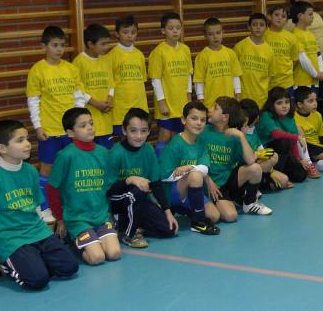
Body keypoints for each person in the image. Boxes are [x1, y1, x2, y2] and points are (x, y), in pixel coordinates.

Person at [0, 120, 78, 289]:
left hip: (36, 232)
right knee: (37, 280)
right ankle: (7, 262)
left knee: (69, 267)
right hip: (11, 239)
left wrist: (46, 233)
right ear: (2, 148)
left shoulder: (30, 171)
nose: (28, 144)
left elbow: (36, 207)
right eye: (20, 140)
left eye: (27, 138)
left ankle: (32, 260)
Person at [46, 108, 121, 265]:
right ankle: (72, 241)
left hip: (101, 217)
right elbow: (52, 189)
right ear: (70, 133)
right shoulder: (65, 156)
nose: (90, 128)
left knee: (114, 253)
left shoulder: (103, 152)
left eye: (91, 123)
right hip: (77, 219)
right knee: (97, 257)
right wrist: (60, 219)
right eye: (83, 125)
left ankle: (92, 239)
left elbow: (110, 185)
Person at [26, 25, 85, 217]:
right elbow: (33, 101)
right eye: (54, 45)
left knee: (71, 167)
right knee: (47, 168)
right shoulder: (38, 70)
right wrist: (38, 126)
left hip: (69, 130)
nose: (59, 49)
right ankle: (44, 207)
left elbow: (78, 97)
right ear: (44, 46)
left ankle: (68, 204)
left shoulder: (71, 69)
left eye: (62, 45)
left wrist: (79, 124)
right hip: (50, 130)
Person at [107, 108, 178, 249]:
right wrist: (129, 180)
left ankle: (128, 224)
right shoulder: (116, 153)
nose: (139, 136)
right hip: (116, 199)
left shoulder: (148, 150)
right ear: (124, 130)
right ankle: (129, 234)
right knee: (136, 190)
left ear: (149, 132)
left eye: (143, 131)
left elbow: (156, 183)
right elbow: (109, 190)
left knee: (170, 229)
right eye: (133, 131)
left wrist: (168, 212)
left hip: (138, 199)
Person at [201, 97, 273, 221]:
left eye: (215, 108)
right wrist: (209, 182)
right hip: (208, 182)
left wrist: (241, 136)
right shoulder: (204, 131)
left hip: (226, 183)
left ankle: (249, 203)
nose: (210, 109)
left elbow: (250, 161)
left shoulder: (233, 135)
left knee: (255, 168)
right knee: (229, 216)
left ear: (225, 117)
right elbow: (197, 160)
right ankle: (215, 202)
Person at [159, 101, 221, 235]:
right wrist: (188, 172)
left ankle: (185, 210)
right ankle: (197, 222)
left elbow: (204, 168)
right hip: (171, 192)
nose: (199, 123)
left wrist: (189, 167)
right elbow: (163, 176)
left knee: (214, 216)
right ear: (183, 120)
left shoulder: (201, 142)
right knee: (196, 175)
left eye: (203, 120)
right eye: (194, 118)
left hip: (190, 190)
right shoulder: (175, 144)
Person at [148, 12, 193, 154]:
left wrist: (189, 96)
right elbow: (155, 79)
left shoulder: (185, 49)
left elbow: (188, 74)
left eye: (178, 28)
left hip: (181, 102)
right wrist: (162, 102)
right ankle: (159, 164)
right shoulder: (158, 52)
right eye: (171, 28)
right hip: (167, 103)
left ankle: (174, 164)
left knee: (177, 136)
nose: (175, 31)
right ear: (163, 30)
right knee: (165, 135)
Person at [73, 23, 114, 149]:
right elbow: (77, 89)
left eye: (107, 43)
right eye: (103, 44)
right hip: (88, 119)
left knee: (106, 154)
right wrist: (94, 102)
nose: (106, 47)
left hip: (106, 120)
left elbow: (111, 83)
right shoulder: (79, 62)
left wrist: (110, 98)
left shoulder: (106, 59)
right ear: (90, 44)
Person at [256, 87, 310, 183]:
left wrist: (297, 160)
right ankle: (273, 176)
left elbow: (293, 142)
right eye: (279, 103)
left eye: (287, 102)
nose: (284, 106)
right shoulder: (266, 115)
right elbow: (276, 134)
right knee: (283, 142)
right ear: (272, 105)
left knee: (301, 175)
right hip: (265, 153)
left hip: (283, 154)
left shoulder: (290, 116)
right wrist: (298, 137)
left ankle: (282, 175)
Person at [107, 15, 148, 136]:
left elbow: (142, 81)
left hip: (139, 107)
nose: (130, 35)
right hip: (120, 110)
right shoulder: (112, 55)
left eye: (133, 32)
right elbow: (109, 84)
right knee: (121, 141)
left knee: (139, 139)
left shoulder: (139, 54)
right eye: (125, 32)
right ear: (117, 34)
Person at [239, 98, 291, 190]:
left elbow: (260, 147)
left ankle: (264, 180)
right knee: (273, 159)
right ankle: (257, 184)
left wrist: (271, 170)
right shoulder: (240, 135)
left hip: (259, 163)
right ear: (257, 118)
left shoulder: (253, 129)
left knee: (284, 179)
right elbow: (246, 160)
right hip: (249, 167)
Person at [194, 18, 242, 108]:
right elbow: (199, 82)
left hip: (230, 103)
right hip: (210, 104)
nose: (215, 37)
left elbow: (235, 76)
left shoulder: (231, 53)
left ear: (223, 32)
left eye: (218, 33)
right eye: (210, 34)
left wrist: (238, 96)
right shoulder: (202, 56)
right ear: (205, 35)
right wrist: (201, 101)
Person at [293, 86, 323, 172]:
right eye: (310, 101)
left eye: (315, 100)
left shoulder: (317, 115)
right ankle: (308, 164)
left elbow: (321, 136)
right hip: (303, 147)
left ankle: (313, 164)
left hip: (317, 147)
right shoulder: (293, 117)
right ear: (300, 105)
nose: (315, 103)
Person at [234, 13, 274, 108]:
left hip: (261, 98)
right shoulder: (239, 46)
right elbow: (234, 74)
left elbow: (270, 75)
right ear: (249, 27)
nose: (258, 27)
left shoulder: (269, 50)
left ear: (266, 28)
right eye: (254, 24)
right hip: (243, 97)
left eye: (261, 25)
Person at [263, 5, 299, 94]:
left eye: (283, 16)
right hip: (267, 83)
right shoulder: (263, 35)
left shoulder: (291, 37)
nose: (279, 18)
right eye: (276, 15)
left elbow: (294, 60)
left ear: (286, 20)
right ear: (269, 17)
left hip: (286, 83)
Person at [290, 1, 323, 91]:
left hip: (315, 81)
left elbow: (318, 53)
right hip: (302, 81)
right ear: (300, 16)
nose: (313, 17)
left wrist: (322, 71)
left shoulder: (310, 34)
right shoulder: (295, 34)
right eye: (310, 14)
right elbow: (301, 57)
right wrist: (315, 74)